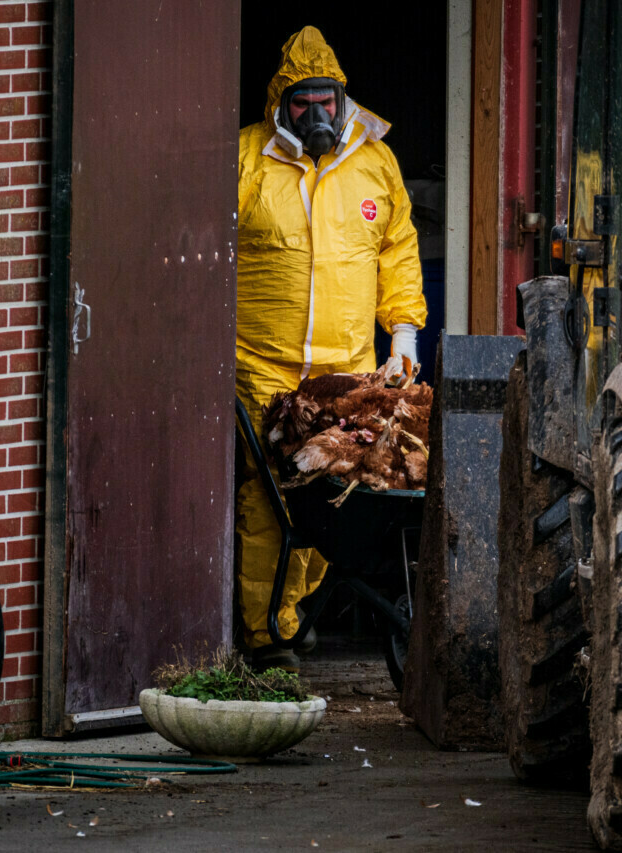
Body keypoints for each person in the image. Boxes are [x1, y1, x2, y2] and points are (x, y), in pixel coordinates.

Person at [235, 26, 427, 672]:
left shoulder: (375, 162)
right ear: (280, 105)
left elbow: (398, 251)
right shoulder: (245, 160)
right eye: (302, 103)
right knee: (272, 494)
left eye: (326, 101)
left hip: (346, 367)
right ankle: (267, 635)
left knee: (335, 490)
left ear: (343, 100)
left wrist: (404, 334)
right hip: (261, 363)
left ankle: (296, 611)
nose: (316, 115)